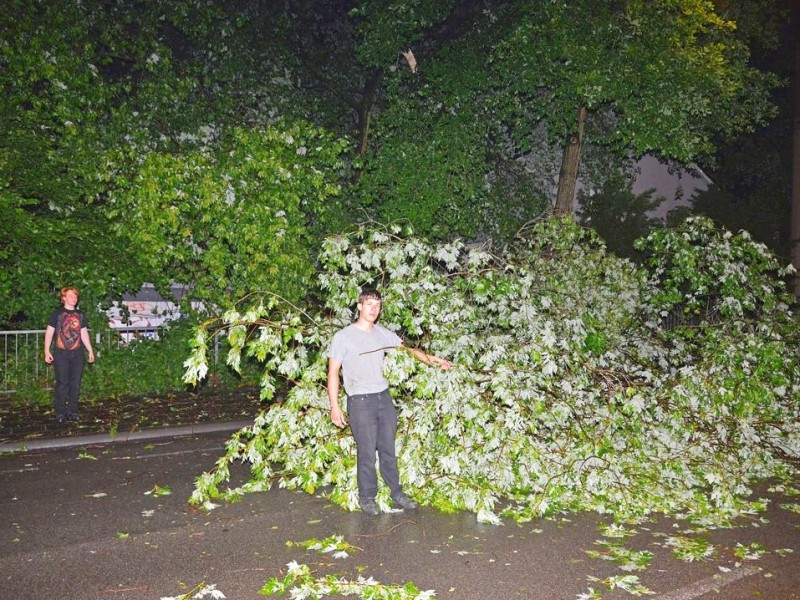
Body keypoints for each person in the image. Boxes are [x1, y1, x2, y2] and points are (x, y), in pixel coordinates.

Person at [328, 288, 452, 515]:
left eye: (377, 305)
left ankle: (397, 493)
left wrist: (435, 361)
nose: (373, 309)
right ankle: (367, 497)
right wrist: (335, 406)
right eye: (369, 305)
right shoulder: (343, 337)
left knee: (388, 449)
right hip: (360, 400)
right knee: (366, 451)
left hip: (383, 398)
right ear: (359, 307)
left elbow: (408, 352)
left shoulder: (382, 333)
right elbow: (333, 372)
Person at [44, 287, 95, 423]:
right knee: (62, 383)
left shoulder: (80, 314)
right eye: (71, 296)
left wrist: (90, 350)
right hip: (61, 354)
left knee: (75, 384)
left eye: (76, 296)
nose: (74, 298)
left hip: (77, 354)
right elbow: (49, 333)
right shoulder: (57, 313)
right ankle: (60, 413)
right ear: (64, 298)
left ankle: (72, 412)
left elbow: (83, 333)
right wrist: (46, 351)